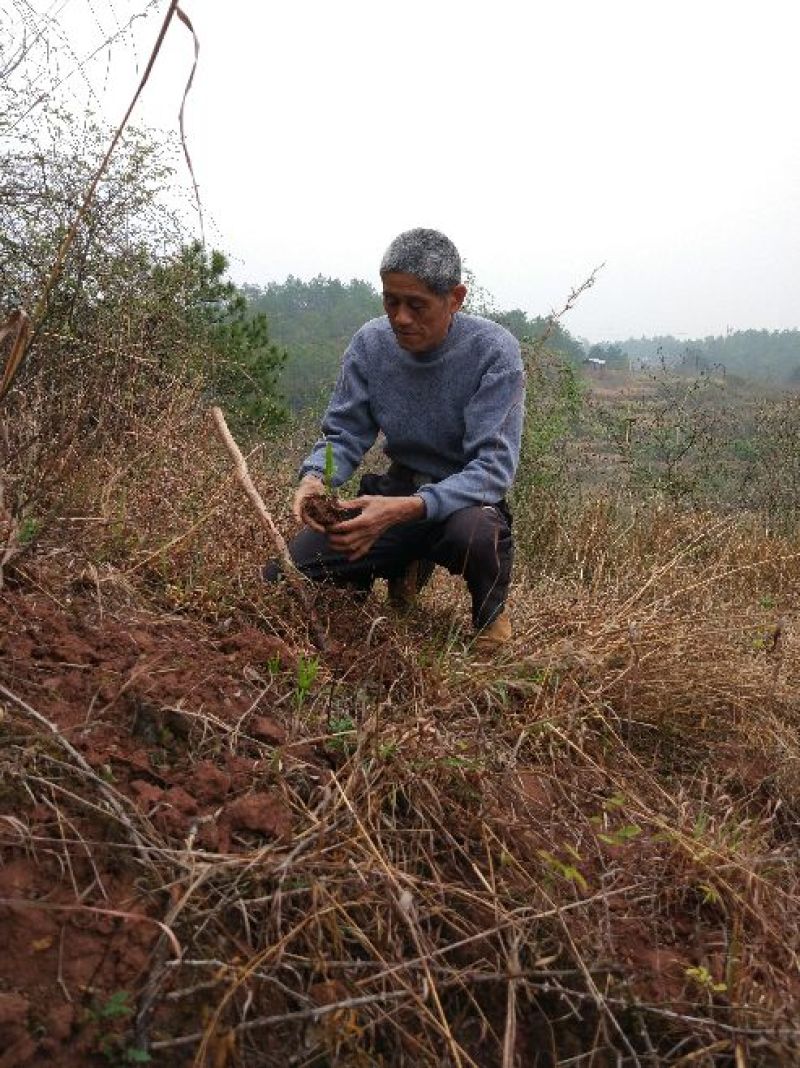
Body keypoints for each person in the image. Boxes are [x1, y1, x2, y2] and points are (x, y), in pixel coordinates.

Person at [267, 228, 526, 651]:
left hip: (464, 500)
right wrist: (315, 477)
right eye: (391, 301)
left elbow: (491, 469)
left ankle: (490, 613)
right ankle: (403, 561)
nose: (401, 317)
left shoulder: (494, 352)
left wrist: (404, 511)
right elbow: (345, 431)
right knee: (284, 577)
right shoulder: (371, 344)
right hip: (396, 488)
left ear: (455, 298)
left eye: (416, 304)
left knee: (476, 534)